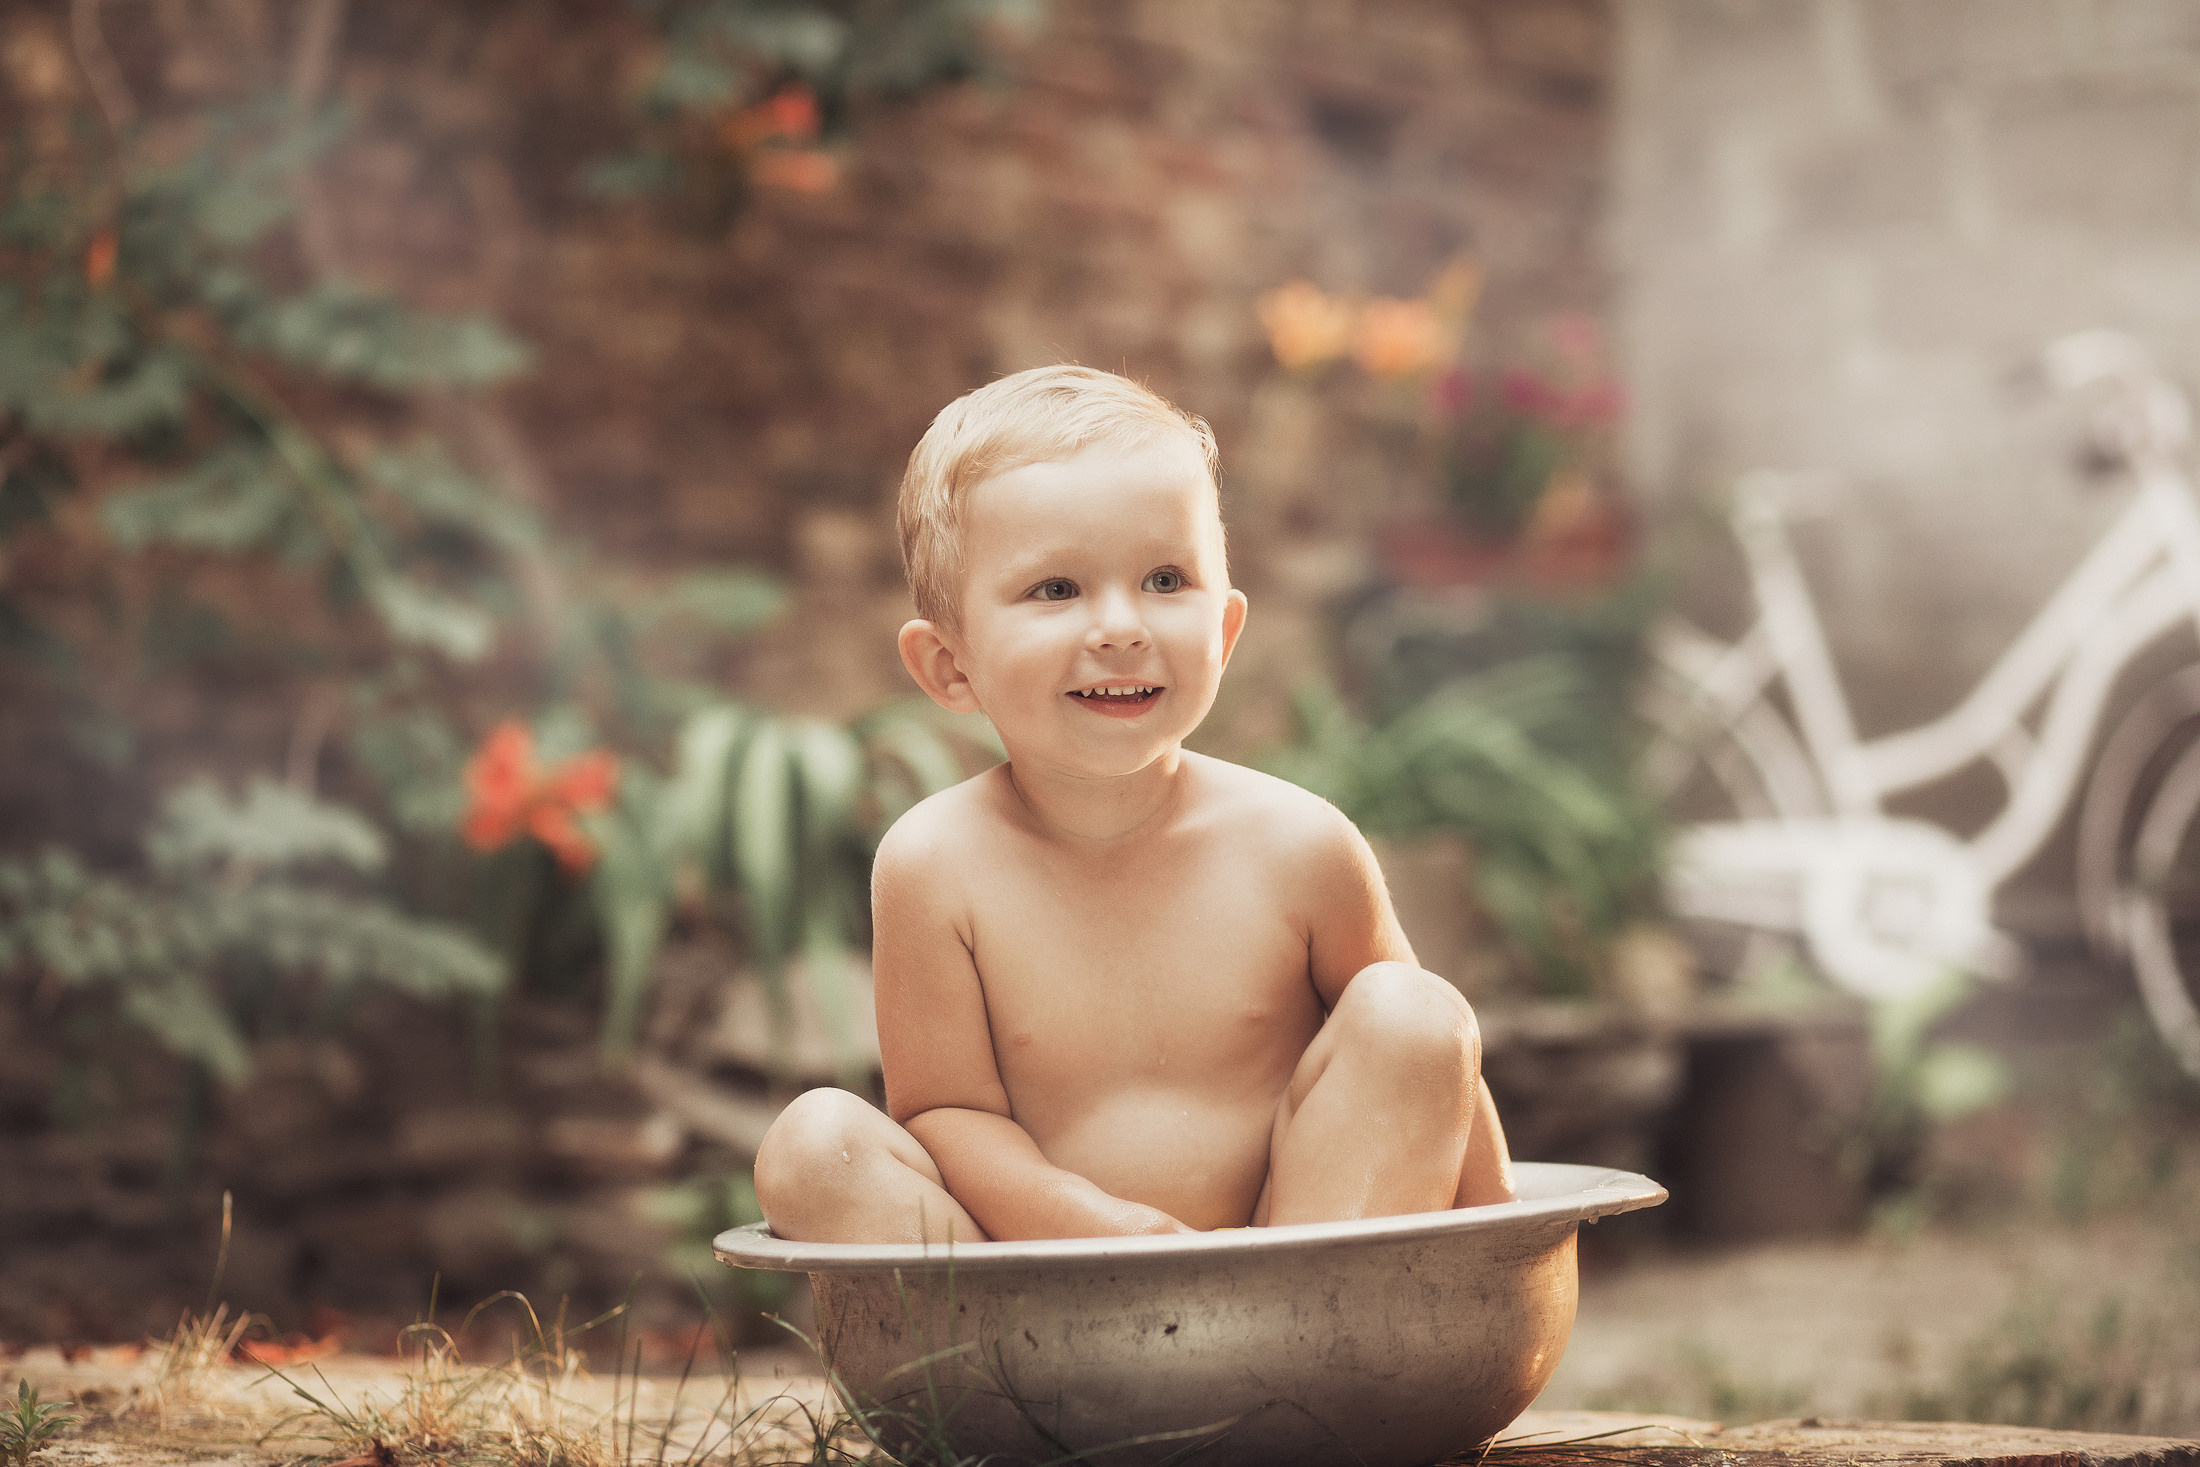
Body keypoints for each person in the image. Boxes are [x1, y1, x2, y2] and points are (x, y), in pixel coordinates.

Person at [753, 365, 1514, 1243]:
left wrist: (1503, 1234)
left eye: (1163, 579)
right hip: (1051, 1299)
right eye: (1057, 589)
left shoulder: (1300, 845)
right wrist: (1103, 1228)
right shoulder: (935, 865)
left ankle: (1282, 1366)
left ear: (1224, 632)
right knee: (812, 1145)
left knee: (1413, 1010)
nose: (1121, 627)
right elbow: (948, 1116)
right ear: (949, 667)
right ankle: (1011, 1380)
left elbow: (1435, 1067)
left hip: (1293, 1284)